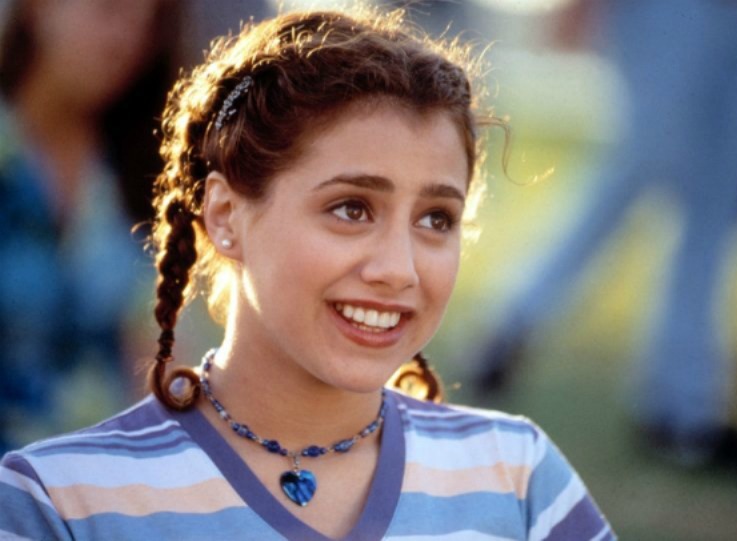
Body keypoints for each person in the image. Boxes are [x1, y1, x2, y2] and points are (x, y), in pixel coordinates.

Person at [0, 6, 615, 540]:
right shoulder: (60, 502)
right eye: (351, 209)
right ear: (226, 217)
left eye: (436, 219)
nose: (399, 269)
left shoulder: (519, 478)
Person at [472, 0, 737, 467]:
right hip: (668, 11)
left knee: (718, 201)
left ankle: (683, 407)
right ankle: (512, 321)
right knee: (638, 164)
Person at [0, 0, 181, 453]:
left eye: (148, 24)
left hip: (94, 474)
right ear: (38, 7)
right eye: (110, 9)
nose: (126, 40)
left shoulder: (141, 176)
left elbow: (152, 357)